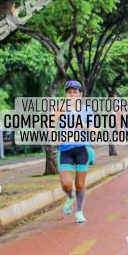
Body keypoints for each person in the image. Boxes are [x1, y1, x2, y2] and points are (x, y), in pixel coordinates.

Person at [57, 80, 96, 224]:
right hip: (65, 149)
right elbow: (50, 123)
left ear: (80, 94)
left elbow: (94, 131)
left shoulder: (87, 110)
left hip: (82, 149)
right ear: (66, 94)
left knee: (80, 184)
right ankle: (70, 196)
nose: (72, 94)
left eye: (75, 92)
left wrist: (82, 124)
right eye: (69, 92)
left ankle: (79, 211)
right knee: (66, 184)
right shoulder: (60, 108)